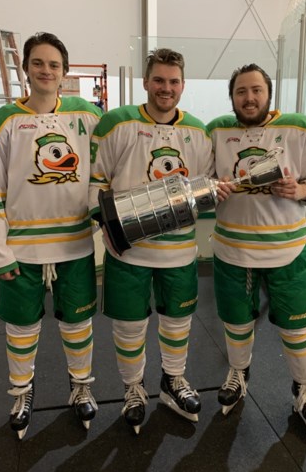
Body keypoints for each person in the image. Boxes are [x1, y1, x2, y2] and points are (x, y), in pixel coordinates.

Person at [0, 32, 103, 440]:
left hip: (75, 244)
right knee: (22, 326)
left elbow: (107, 169)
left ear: (65, 72)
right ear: (26, 68)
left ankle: (81, 386)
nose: (46, 71)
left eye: (54, 64)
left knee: (78, 323)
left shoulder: (88, 114)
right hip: (21, 249)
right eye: (38, 63)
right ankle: (22, 392)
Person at [89, 48, 216, 435]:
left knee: (177, 322)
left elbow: (203, 187)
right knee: (130, 325)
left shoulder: (198, 131)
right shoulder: (115, 124)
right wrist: (112, 229)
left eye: (174, 81)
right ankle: (132, 389)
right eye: (159, 80)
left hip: (178, 251)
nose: (166, 88)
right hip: (128, 252)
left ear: (182, 85)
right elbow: (96, 183)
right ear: (145, 82)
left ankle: (173, 380)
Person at [207, 63, 306, 438]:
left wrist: (303, 191)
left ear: (269, 93)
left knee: (298, 329)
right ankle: (238, 372)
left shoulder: (300, 128)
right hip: (232, 250)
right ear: (232, 97)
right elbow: (198, 179)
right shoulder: (215, 130)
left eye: (256, 90)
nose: (249, 98)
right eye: (241, 92)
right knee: (235, 323)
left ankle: (304, 387)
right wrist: (212, 187)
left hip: (289, 252)